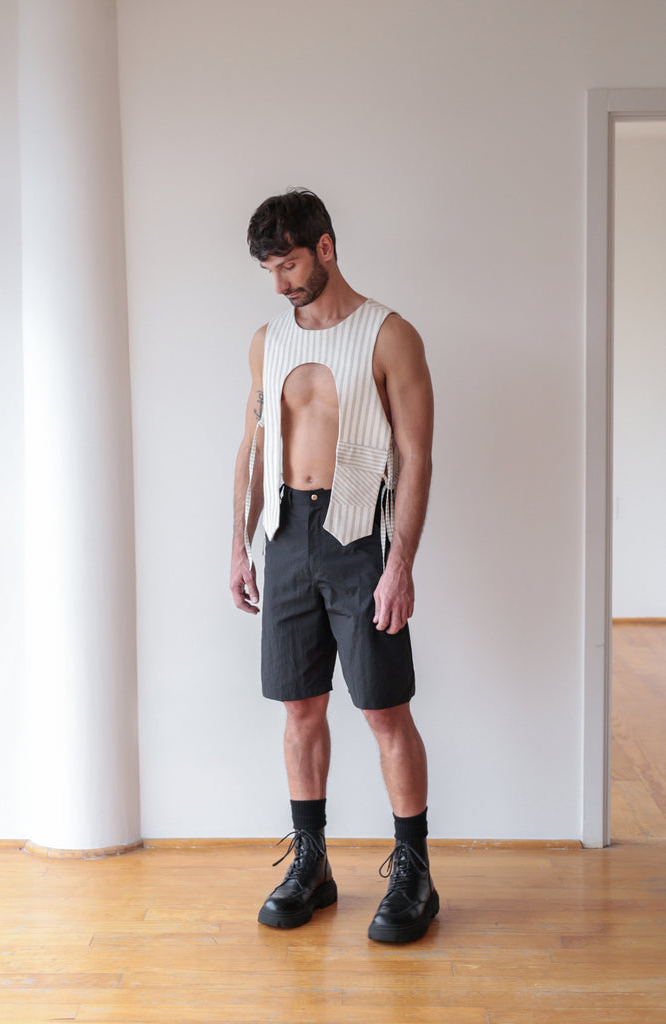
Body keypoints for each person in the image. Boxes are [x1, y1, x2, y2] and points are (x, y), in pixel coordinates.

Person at [230, 188, 438, 944]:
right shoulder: (267, 341)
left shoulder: (390, 335)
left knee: (384, 708)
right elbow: (254, 447)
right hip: (286, 535)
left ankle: (414, 873)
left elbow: (415, 456)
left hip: (358, 539)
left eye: (287, 264)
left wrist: (400, 563)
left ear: (324, 247)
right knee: (299, 707)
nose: (279, 283)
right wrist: (239, 543)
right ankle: (311, 864)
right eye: (269, 269)